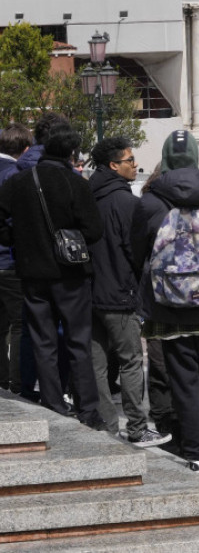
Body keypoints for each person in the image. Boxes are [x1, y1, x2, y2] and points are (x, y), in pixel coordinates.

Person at [130, 130, 199, 480]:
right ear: (194, 156)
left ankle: (197, 456)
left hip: (169, 306)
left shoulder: (149, 202)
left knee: (185, 385)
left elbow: (136, 252)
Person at [0, 124, 104, 427]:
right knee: (78, 341)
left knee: (42, 341)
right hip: (71, 274)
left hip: (32, 271)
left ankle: (53, 403)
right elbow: (94, 231)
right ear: (70, 154)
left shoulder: (18, 182)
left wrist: (16, 239)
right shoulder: (76, 184)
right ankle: (88, 410)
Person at [88, 136, 170, 447]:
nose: (135, 165)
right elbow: (135, 251)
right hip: (120, 293)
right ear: (113, 165)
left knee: (96, 363)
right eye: (130, 161)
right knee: (132, 360)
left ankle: (106, 425)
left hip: (89, 292)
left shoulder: (88, 195)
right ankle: (137, 426)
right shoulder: (127, 203)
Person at [0, 123, 32, 396]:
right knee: (20, 323)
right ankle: (17, 381)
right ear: (25, 149)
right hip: (8, 261)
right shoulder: (15, 175)